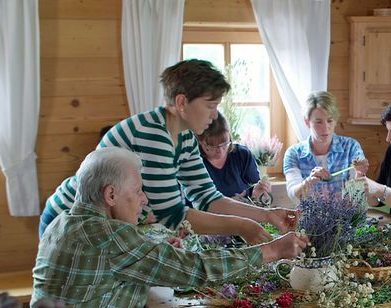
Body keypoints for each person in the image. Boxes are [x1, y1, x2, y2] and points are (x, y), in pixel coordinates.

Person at [30, 147, 308, 308]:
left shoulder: (63, 222)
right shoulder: (110, 236)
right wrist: (273, 250)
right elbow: (197, 269)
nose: (144, 199)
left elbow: (126, 253)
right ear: (110, 195)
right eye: (138, 190)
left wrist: (157, 250)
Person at [39, 59, 297, 243]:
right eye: (210, 105)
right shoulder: (153, 135)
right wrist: (243, 226)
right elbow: (173, 215)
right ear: (182, 102)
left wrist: (266, 215)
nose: (214, 115)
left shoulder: (184, 136)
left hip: (109, 225)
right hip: (67, 221)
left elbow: (208, 198)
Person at [283, 91, 369, 199]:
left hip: (345, 214)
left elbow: (358, 193)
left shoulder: (351, 147)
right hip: (309, 215)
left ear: (335, 121)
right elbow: (293, 193)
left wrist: (359, 174)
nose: (325, 127)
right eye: (318, 122)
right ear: (307, 122)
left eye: (330, 120)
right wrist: (309, 181)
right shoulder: (293, 153)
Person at [198, 111, 272, 202]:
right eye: (213, 147)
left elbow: (255, 190)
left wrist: (258, 193)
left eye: (224, 144)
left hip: (244, 213)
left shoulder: (242, 155)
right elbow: (189, 204)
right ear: (201, 142)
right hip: (209, 215)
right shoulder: (193, 161)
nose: (220, 151)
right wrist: (229, 204)